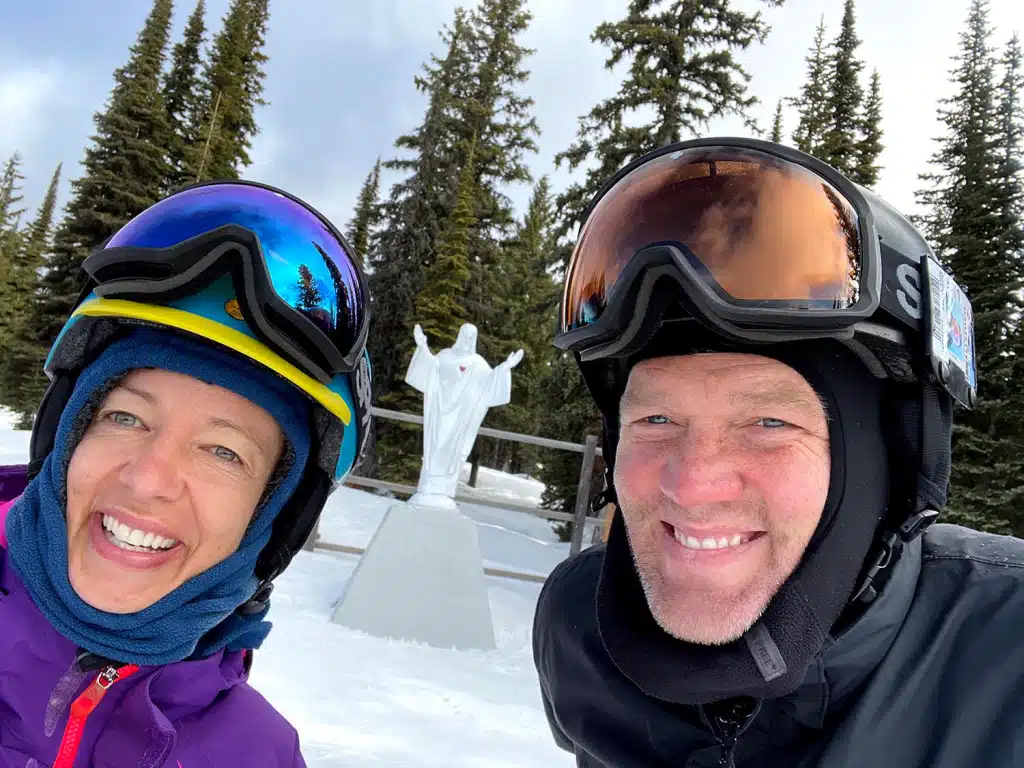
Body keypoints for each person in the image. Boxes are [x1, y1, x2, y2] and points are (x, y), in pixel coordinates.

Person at [533, 137, 1024, 767]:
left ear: (887, 459)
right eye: (655, 418)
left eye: (767, 422)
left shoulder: (1007, 659)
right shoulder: (580, 629)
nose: (692, 483)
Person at [0, 179, 373, 767]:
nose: (149, 479)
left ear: (273, 518)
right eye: (125, 416)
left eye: (224, 452)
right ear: (64, 436)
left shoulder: (259, 757)